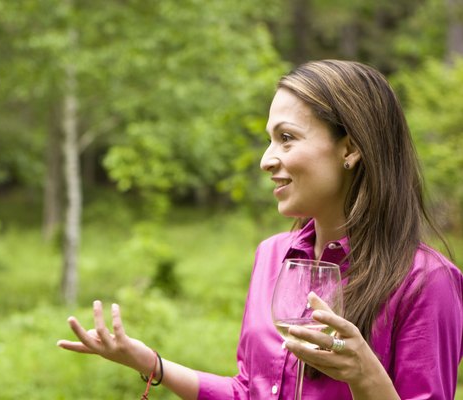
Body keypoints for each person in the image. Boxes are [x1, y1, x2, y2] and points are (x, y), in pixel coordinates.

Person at [58, 60, 463, 399]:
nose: (266, 160)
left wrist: (365, 376)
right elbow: (250, 390)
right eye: (269, 140)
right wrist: (152, 364)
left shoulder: (426, 281)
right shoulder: (273, 256)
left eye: (286, 138)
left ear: (350, 148)